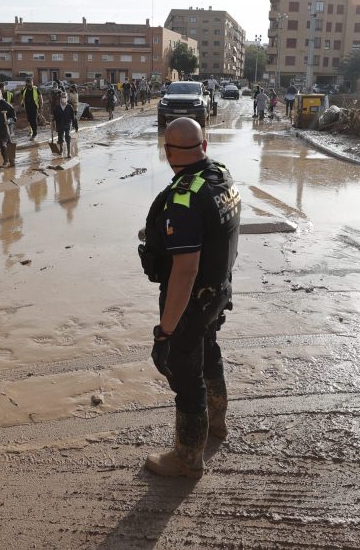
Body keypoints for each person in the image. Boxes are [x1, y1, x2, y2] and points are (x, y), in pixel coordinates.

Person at [139, 117, 241, 479]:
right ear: (205, 147)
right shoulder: (221, 176)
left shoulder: (183, 199)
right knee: (209, 352)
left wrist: (165, 330)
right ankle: (217, 424)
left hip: (191, 300)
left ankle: (187, 457)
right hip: (217, 293)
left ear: (168, 152)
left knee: (186, 374)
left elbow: (184, 271)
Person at [51, 92, 79, 158]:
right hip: (59, 125)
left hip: (67, 124)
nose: (63, 99)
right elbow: (54, 117)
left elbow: (73, 117)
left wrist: (76, 126)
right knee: (60, 138)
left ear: (67, 98)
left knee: (67, 136)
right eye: (62, 97)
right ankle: (61, 149)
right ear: (60, 98)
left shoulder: (69, 107)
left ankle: (69, 152)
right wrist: (52, 123)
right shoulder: (57, 108)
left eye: (65, 97)